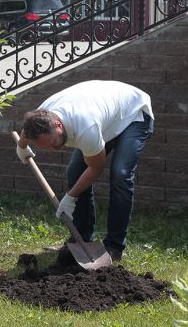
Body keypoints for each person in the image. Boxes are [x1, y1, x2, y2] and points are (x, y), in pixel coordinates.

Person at [15, 80, 154, 261]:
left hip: (133, 114)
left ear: (58, 125)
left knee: (120, 174)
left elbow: (96, 167)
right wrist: (22, 146)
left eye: (53, 142)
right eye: (45, 147)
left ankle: (114, 246)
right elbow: (26, 131)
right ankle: (81, 238)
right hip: (106, 115)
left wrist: (71, 197)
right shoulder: (40, 118)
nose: (52, 148)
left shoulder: (85, 127)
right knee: (74, 172)